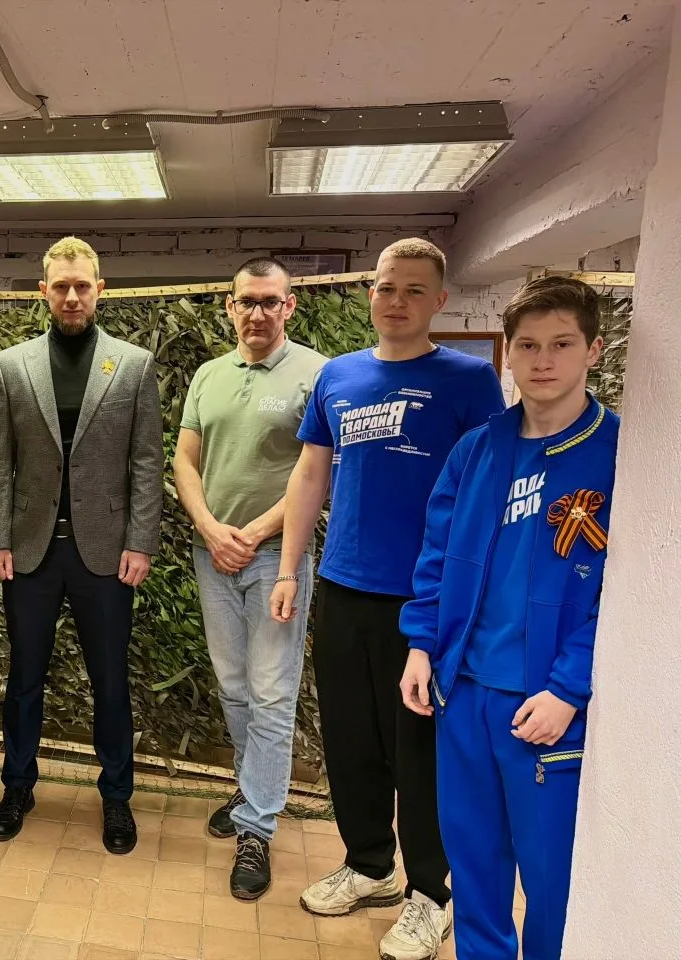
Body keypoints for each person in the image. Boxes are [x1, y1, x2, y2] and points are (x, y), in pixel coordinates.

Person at [269, 238, 506, 960]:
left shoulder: (469, 380)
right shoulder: (338, 375)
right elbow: (310, 475)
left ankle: (430, 895)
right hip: (344, 589)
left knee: (421, 756)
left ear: (439, 301)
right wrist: (288, 570)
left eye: (413, 290)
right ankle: (369, 864)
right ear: (370, 294)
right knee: (351, 741)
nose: (396, 301)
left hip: (426, 603)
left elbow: (486, 491)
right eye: (385, 287)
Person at [399, 277, 616, 960]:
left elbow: (625, 594)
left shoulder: (620, 454)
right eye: (527, 345)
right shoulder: (477, 449)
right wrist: (422, 646)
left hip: (546, 706)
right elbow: (436, 555)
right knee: (475, 871)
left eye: (562, 344)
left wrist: (568, 689)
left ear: (594, 350)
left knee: (553, 884)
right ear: (509, 352)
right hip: (463, 694)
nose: (543, 360)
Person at [0, 236, 163, 854]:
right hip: (29, 553)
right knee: (24, 679)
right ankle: (17, 787)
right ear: (44, 292)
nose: (72, 296)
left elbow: (146, 461)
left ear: (99, 289)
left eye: (82, 285)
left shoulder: (133, 365)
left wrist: (141, 542)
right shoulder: (12, 365)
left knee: (109, 682)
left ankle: (116, 796)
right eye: (60, 286)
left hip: (106, 554)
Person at [173, 256, 326, 901]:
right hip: (213, 554)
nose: (257, 313)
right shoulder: (208, 375)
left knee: (271, 692)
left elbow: (318, 471)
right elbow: (185, 458)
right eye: (246, 301)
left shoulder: (316, 374)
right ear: (230, 306)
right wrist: (210, 528)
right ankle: (251, 789)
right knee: (234, 688)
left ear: (289, 306)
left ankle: (257, 827)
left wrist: (253, 534)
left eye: (270, 301)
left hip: (273, 561)